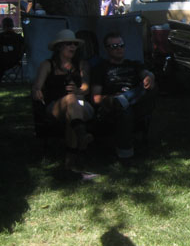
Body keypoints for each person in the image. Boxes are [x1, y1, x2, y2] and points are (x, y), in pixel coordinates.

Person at [31, 28, 96, 180]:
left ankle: (69, 167)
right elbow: (37, 86)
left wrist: (78, 90)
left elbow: (86, 88)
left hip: (80, 105)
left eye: (74, 44)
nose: (73, 47)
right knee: (70, 102)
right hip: (55, 106)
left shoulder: (81, 64)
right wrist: (37, 91)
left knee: (72, 111)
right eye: (68, 44)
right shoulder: (48, 65)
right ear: (59, 47)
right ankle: (80, 144)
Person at [91, 32, 156, 160]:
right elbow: (95, 97)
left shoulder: (134, 64)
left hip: (137, 102)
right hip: (112, 107)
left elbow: (146, 74)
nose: (119, 48)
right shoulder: (101, 69)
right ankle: (126, 155)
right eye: (114, 46)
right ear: (107, 49)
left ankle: (124, 99)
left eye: (121, 45)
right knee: (124, 109)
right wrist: (109, 99)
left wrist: (150, 77)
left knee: (151, 87)